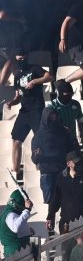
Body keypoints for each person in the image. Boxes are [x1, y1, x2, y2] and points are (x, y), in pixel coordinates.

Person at [8, 47, 52, 175]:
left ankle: (43, 167)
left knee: (40, 139)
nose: (21, 61)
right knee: (16, 139)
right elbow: (18, 96)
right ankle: (15, 171)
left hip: (37, 109)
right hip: (24, 111)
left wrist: (35, 81)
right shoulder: (17, 76)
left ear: (26, 57)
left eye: (22, 58)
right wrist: (12, 102)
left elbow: (49, 76)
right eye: (18, 59)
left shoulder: (34, 69)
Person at [46, 152, 83, 236]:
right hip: (67, 222)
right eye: (76, 162)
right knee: (66, 244)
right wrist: (50, 216)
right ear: (69, 164)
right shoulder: (61, 177)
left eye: (81, 162)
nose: (79, 164)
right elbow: (56, 199)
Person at [32, 107, 78, 203]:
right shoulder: (38, 136)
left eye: (55, 117)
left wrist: (73, 162)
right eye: (50, 118)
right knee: (51, 202)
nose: (53, 119)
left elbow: (72, 149)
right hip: (47, 173)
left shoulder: (64, 132)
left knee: (67, 200)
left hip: (63, 170)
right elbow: (34, 159)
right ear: (45, 118)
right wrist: (37, 154)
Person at [47, 80, 83, 154]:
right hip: (57, 142)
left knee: (77, 160)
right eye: (66, 95)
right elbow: (48, 126)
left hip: (72, 140)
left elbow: (81, 122)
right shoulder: (51, 106)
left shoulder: (76, 104)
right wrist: (61, 128)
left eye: (70, 95)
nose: (68, 97)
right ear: (59, 94)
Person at [1, 190, 33, 257]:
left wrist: (29, 231)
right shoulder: (10, 214)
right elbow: (15, 227)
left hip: (19, 251)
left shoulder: (11, 212)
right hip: (15, 253)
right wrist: (27, 210)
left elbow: (17, 227)